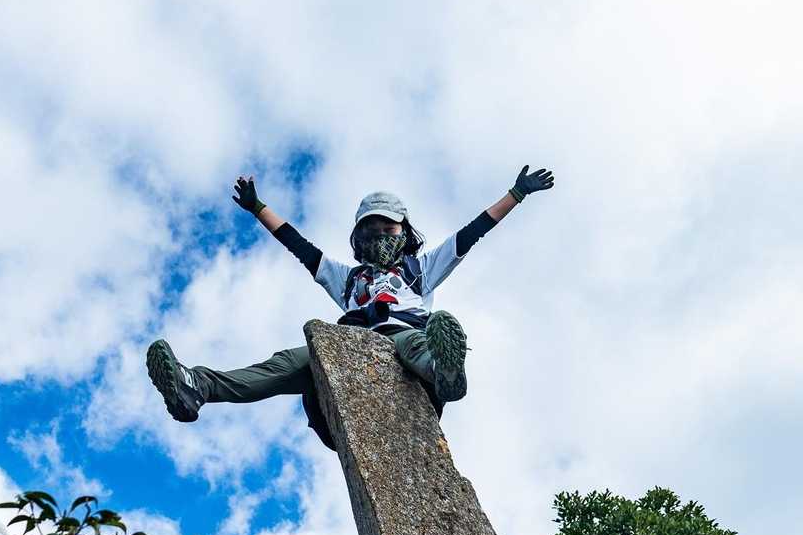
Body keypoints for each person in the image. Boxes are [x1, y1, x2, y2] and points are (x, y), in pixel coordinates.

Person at [145, 165, 554, 447]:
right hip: (352, 344)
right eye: (371, 230)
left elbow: (471, 233)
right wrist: (257, 207)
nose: (380, 236)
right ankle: (196, 387)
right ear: (358, 238)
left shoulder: (421, 269)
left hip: (403, 335)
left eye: (388, 227)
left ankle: (444, 372)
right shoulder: (347, 279)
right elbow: (299, 246)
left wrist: (516, 194)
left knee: (418, 342)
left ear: (404, 232)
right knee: (289, 361)